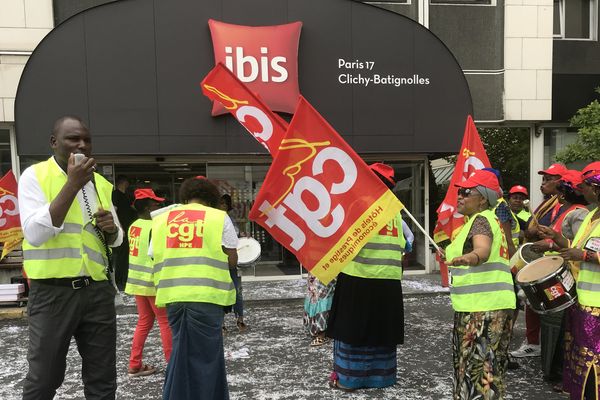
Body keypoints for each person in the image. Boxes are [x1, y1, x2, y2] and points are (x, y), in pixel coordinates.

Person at [18, 115, 123, 400]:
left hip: (97, 292)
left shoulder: (99, 182)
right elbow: (35, 234)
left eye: (87, 139)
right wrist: (72, 184)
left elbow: (117, 237)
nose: (82, 145)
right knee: (44, 379)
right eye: (73, 139)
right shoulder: (34, 177)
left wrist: (112, 230)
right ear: (54, 142)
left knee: (103, 379)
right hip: (53, 294)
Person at [152, 176, 238, 400]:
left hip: (173, 297)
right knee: (207, 358)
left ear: (185, 196)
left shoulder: (163, 219)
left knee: (181, 353)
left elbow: (153, 254)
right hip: (206, 297)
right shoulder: (219, 218)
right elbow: (231, 258)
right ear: (211, 198)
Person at [327, 163, 406, 392]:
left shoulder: (358, 205)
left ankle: (350, 379)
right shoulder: (394, 210)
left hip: (358, 277)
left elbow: (339, 239)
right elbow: (405, 243)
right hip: (388, 282)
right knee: (382, 329)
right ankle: (381, 377)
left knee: (352, 330)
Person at [441, 169, 516, 400]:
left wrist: (470, 258)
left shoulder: (481, 220)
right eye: (459, 192)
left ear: (483, 198)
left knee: (477, 372)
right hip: (495, 307)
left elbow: (482, 251)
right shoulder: (491, 220)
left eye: (466, 192)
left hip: (481, 311)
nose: (460, 197)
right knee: (490, 371)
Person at [532, 170, 589, 388]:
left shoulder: (579, 213)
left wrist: (552, 242)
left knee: (561, 325)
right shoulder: (565, 209)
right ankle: (554, 370)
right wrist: (553, 239)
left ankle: (558, 372)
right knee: (553, 322)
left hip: (570, 276)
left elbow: (576, 245)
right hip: (558, 269)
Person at [512, 162, 569, 359]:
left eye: (548, 180)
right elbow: (531, 229)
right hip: (543, 259)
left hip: (556, 262)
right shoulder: (547, 203)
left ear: (561, 183)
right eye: (543, 179)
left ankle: (547, 348)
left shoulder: (565, 207)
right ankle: (534, 342)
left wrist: (548, 241)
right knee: (534, 302)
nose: (542, 184)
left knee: (550, 307)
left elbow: (561, 234)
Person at [556, 161, 600, 399]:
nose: (582, 190)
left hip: (597, 306)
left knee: (593, 361)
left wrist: (584, 255)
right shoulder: (591, 214)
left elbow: (583, 253)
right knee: (580, 360)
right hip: (582, 299)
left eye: (586, 186)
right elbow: (576, 248)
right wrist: (555, 238)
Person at [125, 188, 172, 377]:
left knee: (144, 322)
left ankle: (134, 363)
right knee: (165, 322)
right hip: (152, 282)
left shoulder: (133, 226)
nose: (159, 206)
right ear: (146, 207)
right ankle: (173, 363)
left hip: (137, 282)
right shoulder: (155, 227)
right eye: (156, 204)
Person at [219, 193, 247, 332]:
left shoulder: (230, 220)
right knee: (221, 292)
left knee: (237, 291)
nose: (222, 206)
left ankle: (240, 318)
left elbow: (236, 235)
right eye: (220, 203)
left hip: (232, 260)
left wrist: (243, 236)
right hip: (219, 261)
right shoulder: (214, 219)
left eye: (225, 203)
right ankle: (221, 322)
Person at [112, 175, 136, 289]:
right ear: (122, 182)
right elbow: (114, 212)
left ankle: (124, 278)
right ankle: (119, 280)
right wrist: (120, 227)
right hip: (123, 229)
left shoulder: (126, 196)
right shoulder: (116, 194)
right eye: (126, 182)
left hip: (128, 228)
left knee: (126, 254)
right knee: (121, 255)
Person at [303, 272, 336, 346]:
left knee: (323, 297)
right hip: (317, 269)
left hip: (329, 268)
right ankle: (319, 330)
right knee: (315, 295)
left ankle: (322, 333)